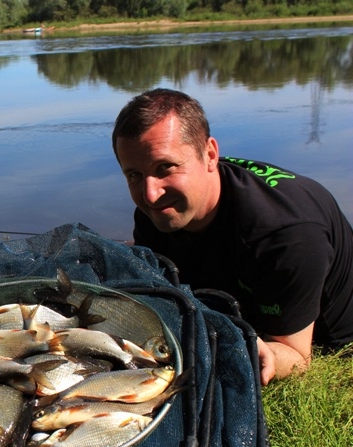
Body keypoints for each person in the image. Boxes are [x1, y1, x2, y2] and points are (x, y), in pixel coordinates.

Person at [111, 88, 353, 385]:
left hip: (326, 337)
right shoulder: (157, 207)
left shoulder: (284, 235)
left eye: (166, 168)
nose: (150, 193)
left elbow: (297, 357)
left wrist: (241, 346)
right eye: (134, 175)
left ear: (210, 154)